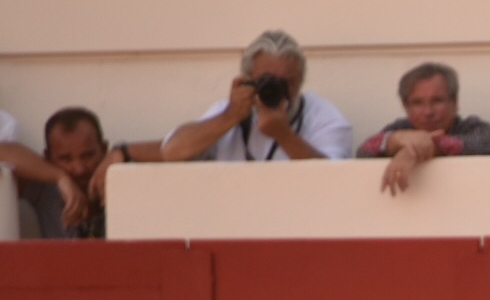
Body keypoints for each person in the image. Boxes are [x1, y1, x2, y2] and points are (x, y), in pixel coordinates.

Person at [162, 30, 353, 164]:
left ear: (300, 82)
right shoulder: (231, 111)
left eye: (286, 83)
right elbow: (172, 152)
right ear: (247, 80)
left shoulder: (323, 117)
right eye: (267, 81)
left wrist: (284, 136)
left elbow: (332, 177)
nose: (277, 91)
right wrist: (230, 117)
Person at [0, 107, 160, 239]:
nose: (79, 168)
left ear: (104, 150)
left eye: (88, 155)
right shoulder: (44, 187)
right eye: (66, 159)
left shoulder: (122, 175)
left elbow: (180, 148)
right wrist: (60, 178)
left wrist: (122, 152)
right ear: (48, 157)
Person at [357, 62, 490, 195]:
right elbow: (363, 153)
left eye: (437, 101)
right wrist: (396, 140)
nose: (428, 112)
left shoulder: (474, 128)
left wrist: (412, 150)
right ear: (406, 106)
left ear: (454, 102)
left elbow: (485, 144)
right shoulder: (401, 128)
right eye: (418, 103)